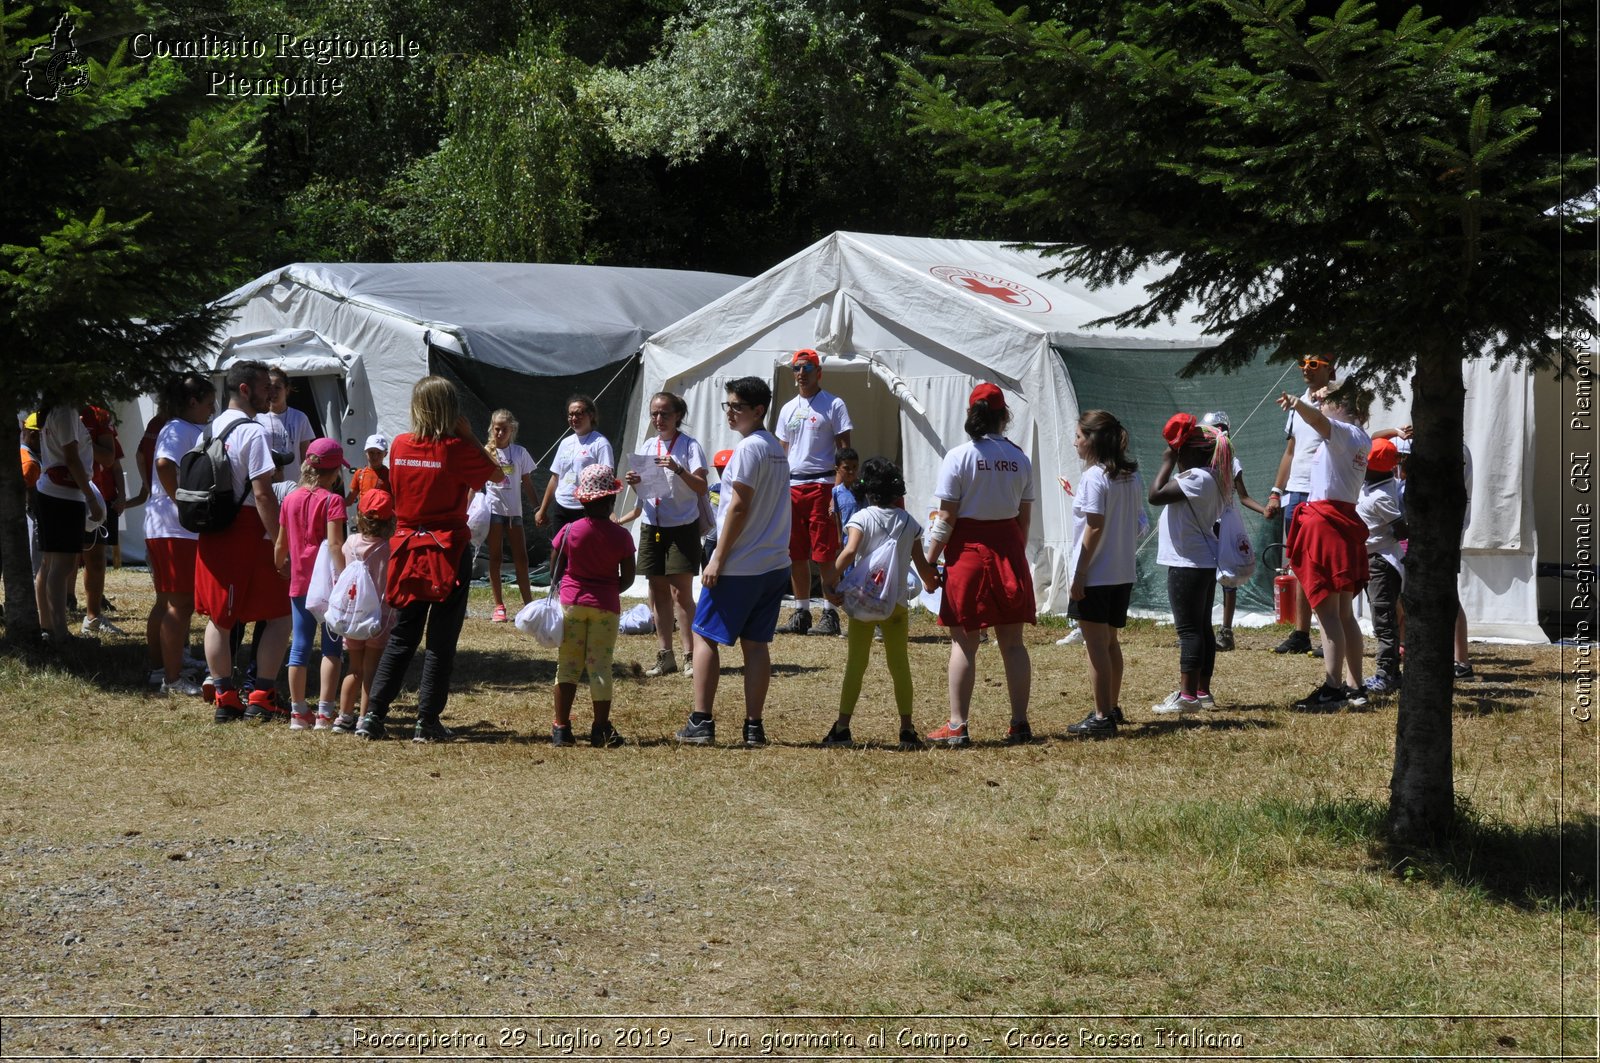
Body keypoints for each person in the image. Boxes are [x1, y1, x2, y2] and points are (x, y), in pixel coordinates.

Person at [358, 377, 503, 742]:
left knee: (403, 634)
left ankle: (374, 715)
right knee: (441, 638)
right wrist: (470, 436)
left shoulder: (400, 444)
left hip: (406, 547)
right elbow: (498, 474)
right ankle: (427, 720)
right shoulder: (456, 448)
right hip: (447, 549)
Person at [674, 377, 791, 747]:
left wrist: (717, 559)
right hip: (774, 562)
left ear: (759, 410)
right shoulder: (775, 447)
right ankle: (753, 727)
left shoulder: (748, 449)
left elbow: (739, 507)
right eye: (728, 405)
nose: (730, 412)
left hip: (741, 563)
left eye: (736, 406)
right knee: (755, 644)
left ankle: (701, 721)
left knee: (704, 634)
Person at [923, 382, 1036, 746]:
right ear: (1005, 416)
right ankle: (1020, 723)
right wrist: (1012, 556)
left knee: (965, 642)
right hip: (1009, 550)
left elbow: (945, 518)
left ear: (971, 414)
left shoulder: (959, 456)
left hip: (968, 553)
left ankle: (958, 725)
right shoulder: (1020, 458)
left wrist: (928, 561)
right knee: (1013, 644)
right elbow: (1024, 520)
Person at [820, 457, 941, 749]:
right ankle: (906, 729)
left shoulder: (862, 518)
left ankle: (843, 727)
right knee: (899, 664)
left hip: (863, 602)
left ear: (868, 489)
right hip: (895, 604)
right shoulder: (908, 522)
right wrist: (931, 581)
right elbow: (923, 568)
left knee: (856, 664)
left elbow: (849, 552)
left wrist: (828, 581)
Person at [195, 360, 293, 723]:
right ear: (246, 389)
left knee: (220, 618)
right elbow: (263, 494)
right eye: (265, 386)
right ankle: (261, 695)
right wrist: (279, 540)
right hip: (249, 531)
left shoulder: (207, 430)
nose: (271, 392)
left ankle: (225, 695)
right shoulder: (253, 433)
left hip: (213, 531)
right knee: (280, 614)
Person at [1275, 384, 1373, 711]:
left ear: (1345, 410)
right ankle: (1356, 686)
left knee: (1327, 613)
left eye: (1329, 403)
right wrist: (1320, 397)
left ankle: (1332, 688)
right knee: (1344, 614)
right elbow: (1323, 418)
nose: (1323, 405)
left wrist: (1298, 403)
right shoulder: (1361, 437)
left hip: (1328, 523)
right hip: (1343, 521)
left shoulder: (1341, 432)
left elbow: (1319, 421)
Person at [616, 391, 710, 678]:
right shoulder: (648, 444)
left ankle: (690, 655)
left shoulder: (690, 446)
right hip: (652, 525)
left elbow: (701, 487)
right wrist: (635, 483)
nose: (658, 419)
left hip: (682, 525)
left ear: (678, 415)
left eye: (664, 414)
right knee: (657, 591)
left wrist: (678, 469)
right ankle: (665, 654)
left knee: (680, 593)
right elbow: (648, 491)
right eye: (654, 414)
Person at [1063, 411, 1145, 738]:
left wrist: (1079, 573)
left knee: (1095, 646)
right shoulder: (1130, 475)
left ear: (1093, 440)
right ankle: (1110, 706)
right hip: (1122, 572)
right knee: (1110, 643)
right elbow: (1140, 523)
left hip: (1096, 574)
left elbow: (1094, 526)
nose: (1075, 442)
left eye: (1079, 437)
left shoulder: (1095, 477)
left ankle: (1101, 717)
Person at [1147, 414, 1230, 716]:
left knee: (1189, 631)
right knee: (1202, 628)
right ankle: (1201, 691)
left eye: (1179, 450)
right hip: (1201, 562)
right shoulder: (1213, 478)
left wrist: (1168, 460)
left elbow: (1155, 495)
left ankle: (1187, 696)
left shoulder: (1196, 478)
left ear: (1191, 453)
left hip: (1187, 563)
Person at [549, 464, 638, 747]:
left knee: (568, 666)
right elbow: (629, 577)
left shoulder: (568, 531)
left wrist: (570, 588)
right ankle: (600, 728)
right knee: (600, 667)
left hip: (572, 604)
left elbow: (554, 570)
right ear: (611, 500)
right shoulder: (622, 536)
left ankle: (561, 728)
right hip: (605, 607)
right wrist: (609, 590)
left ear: (582, 500)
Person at [1263, 354, 1340, 656]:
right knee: (1296, 561)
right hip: (1295, 491)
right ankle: (1301, 633)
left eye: (1313, 364)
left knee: (1323, 562)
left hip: (1323, 490)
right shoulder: (1296, 404)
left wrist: (1330, 393)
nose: (1306, 370)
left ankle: (1328, 635)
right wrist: (1275, 491)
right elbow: (1290, 451)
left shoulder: (1337, 398)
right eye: (1302, 364)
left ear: (1329, 368)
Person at [144, 374, 215, 697]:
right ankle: (171, 679)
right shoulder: (177, 428)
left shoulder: (186, 428)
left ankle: (162, 667)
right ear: (192, 402)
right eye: (208, 403)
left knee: (166, 602)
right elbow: (162, 464)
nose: (212, 409)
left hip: (166, 527)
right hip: (174, 528)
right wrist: (181, 502)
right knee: (180, 604)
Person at [275, 438, 350, 730]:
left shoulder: (290, 499)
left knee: (300, 646)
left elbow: (281, 544)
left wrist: (280, 564)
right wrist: (344, 577)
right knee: (332, 647)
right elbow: (335, 543)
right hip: (327, 585)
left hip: (300, 581)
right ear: (334, 473)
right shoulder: (333, 501)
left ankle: (298, 712)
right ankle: (325, 712)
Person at [776, 349, 852, 637]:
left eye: (807, 368)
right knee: (795, 552)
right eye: (797, 368)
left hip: (822, 484)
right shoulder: (787, 409)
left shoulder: (833, 404)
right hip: (792, 485)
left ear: (819, 372)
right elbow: (782, 452)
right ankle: (801, 610)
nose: (801, 374)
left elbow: (845, 450)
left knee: (824, 553)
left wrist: (839, 487)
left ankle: (830, 613)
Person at [33, 398, 106, 647]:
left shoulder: (58, 410)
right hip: (63, 494)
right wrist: (90, 498)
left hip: (52, 491)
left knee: (49, 563)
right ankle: (60, 634)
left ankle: (48, 627)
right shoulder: (66, 410)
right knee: (61, 566)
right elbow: (72, 459)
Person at [1199, 410, 1269, 650]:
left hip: (1224, 523)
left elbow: (1244, 496)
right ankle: (1201, 629)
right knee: (1204, 575)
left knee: (1227, 576)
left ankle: (1226, 631)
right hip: (1206, 520)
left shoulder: (1231, 461)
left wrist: (1264, 510)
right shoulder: (1200, 459)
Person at [334, 489, 396, 734]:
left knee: (353, 669)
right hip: (377, 617)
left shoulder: (350, 543)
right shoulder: (387, 548)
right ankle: (364, 719)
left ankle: (343, 716)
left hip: (352, 615)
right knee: (372, 671)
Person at [1358, 438, 1406, 696]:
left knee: (1384, 620)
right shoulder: (1373, 486)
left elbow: (1401, 529)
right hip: (1371, 560)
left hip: (1381, 563)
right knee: (1381, 619)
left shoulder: (1381, 496)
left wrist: (1386, 539)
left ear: (1376, 467)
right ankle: (1391, 673)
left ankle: (1386, 674)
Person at [480, 410, 539, 622]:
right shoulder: (486, 453)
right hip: (494, 512)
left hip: (515, 513)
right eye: (496, 428)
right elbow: (474, 483)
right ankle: (499, 606)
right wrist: (467, 508)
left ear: (511, 430)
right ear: (491, 428)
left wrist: (538, 507)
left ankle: (528, 605)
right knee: (495, 558)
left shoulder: (520, 453)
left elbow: (528, 483)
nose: (499, 432)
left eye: (504, 428)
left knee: (521, 558)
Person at [77, 404, 126, 635]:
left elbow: (109, 459)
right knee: (58, 564)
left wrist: (82, 439)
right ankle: (50, 623)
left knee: (96, 559)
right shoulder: (49, 411)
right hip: (57, 493)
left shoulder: (98, 415)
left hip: (92, 498)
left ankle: (93, 617)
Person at [534, 394, 612, 534]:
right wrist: (542, 509)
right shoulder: (565, 443)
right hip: (562, 506)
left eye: (578, 413)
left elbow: (607, 479)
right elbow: (555, 477)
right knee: (558, 551)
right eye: (570, 415)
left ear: (591, 415)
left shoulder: (600, 443)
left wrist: (608, 511)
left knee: (581, 551)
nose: (574, 418)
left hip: (585, 509)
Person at [258, 366, 315, 489]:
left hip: (294, 484)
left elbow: (306, 454)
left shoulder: (300, 417)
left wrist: (307, 483)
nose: (273, 393)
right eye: (269, 388)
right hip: (267, 485)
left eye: (277, 388)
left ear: (287, 390)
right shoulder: (257, 417)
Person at [345, 434, 390, 510]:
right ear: (366, 452)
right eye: (371, 452)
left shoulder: (390, 475)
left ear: (385, 454)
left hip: (384, 520)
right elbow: (349, 500)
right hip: (364, 520)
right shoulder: (359, 474)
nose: (375, 457)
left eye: (379, 453)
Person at [830, 447, 860, 543]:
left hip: (864, 538)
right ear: (837, 469)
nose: (851, 472)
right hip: (847, 539)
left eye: (854, 467)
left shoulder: (863, 488)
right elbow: (838, 516)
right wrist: (840, 538)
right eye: (846, 468)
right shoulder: (836, 491)